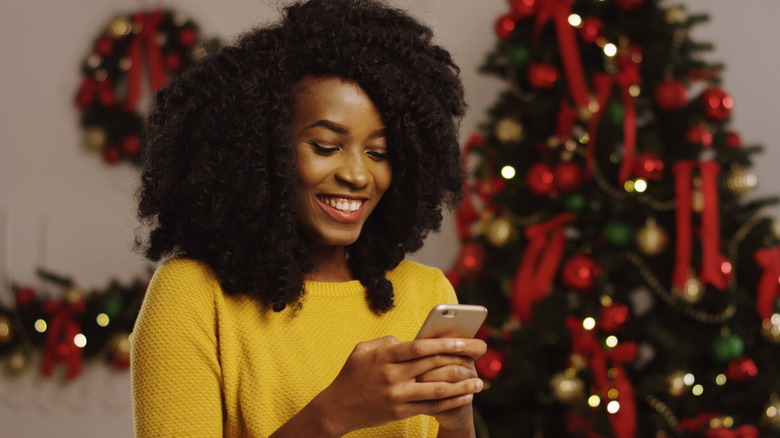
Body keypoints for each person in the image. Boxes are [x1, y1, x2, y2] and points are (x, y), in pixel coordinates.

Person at [131, 0, 486, 436]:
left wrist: (456, 421)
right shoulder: (193, 295)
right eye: (325, 146)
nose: (358, 175)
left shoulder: (425, 292)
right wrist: (334, 412)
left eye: (379, 153)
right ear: (261, 151)